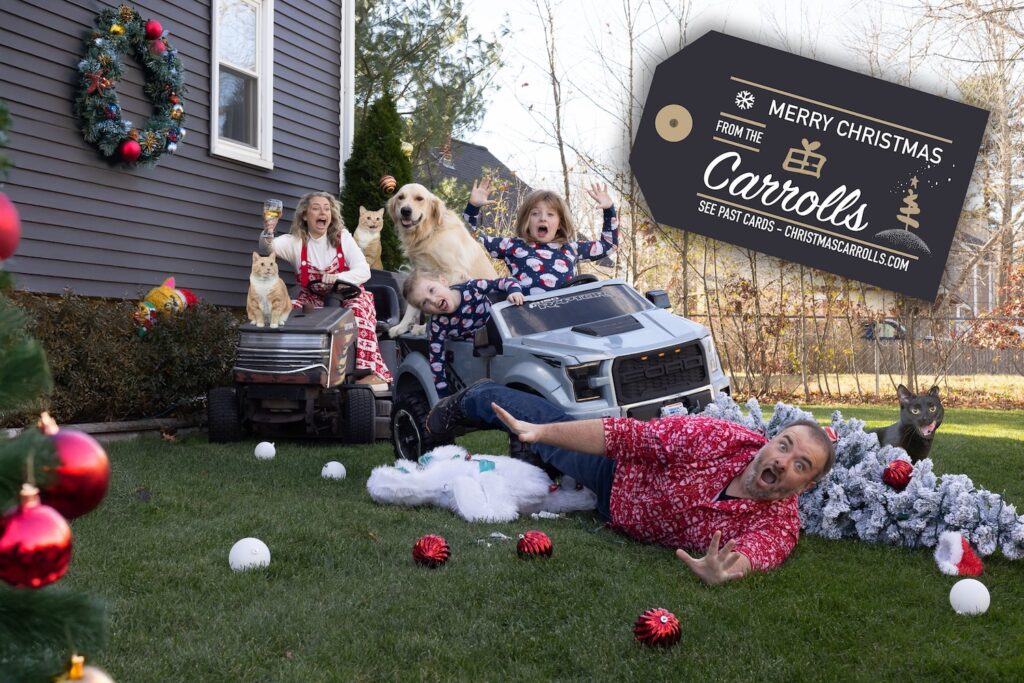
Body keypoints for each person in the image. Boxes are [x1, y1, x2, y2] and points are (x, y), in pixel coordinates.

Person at [426, 381, 836, 585]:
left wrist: (723, 572)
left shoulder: (779, 524)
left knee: (542, 453)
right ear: (769, 441)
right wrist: (542, 433)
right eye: (784, 446)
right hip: (616, 471)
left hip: (610, 510)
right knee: (531, 420)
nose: (783, 462)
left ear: (807, 486)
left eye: (801, 464)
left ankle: (533, 447)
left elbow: (753, 553)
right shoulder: (720, 438)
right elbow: (629, 437)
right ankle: (467, 401)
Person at [259, 192, 392, 392]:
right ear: (305, 215)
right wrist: (269, 231)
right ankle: (289, 369)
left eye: (327, 208)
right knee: (286, 316)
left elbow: (363, 271)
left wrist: (339, 277)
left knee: (357, 315)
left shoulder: (343, 238)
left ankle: (369, 373)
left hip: (348, 296)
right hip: (312, 298)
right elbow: (266, 248)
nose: (323, 212)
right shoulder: (295, 241)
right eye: (316, 208)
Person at [463, 180, 619, 295]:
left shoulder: (570, 248)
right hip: (526, 318)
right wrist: (473, 207)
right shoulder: (512, 245)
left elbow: (608, 245)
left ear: (559, 223)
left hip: (566, 317)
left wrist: (609, 210)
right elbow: (471, 239)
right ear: (526, 220)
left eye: (550, 214)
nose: (542, 218)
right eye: (535, 213)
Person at [402, 270, 524, 397]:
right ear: (424, 311)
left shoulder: (472, 288)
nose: (432, 300)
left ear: (443, 280)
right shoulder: (437, 325)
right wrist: (443, 394)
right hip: (474, 356)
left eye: (432, 290)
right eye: (424, 303)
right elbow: (436, 360)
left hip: (501, 335)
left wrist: (514, 291)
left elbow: (505, 281)